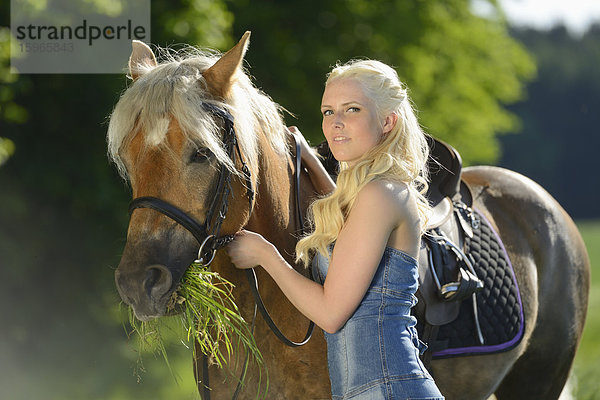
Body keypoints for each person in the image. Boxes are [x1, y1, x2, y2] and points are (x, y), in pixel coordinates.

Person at [227, 59, 444, 400]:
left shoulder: (379, 194)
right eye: (328, 112)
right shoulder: (373, 192)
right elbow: (351, 233)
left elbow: (331, 314)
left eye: (352, 109)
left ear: (387, 121)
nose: (336, 124)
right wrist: (313, 163)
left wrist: (265, 254)